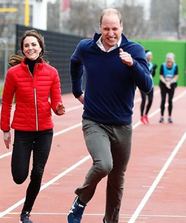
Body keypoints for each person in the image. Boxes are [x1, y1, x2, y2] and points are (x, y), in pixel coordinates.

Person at [67, 8, 153, 223]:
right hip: (94, 121)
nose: (111, 33)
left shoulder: (134, 50)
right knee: (104, 164)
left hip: (122, 125)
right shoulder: (86, 48)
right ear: (100, 28)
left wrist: (132, 65)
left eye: (115, 28)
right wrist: (77, 91)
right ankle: (81, 200)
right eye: (106, 28)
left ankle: (110, 220)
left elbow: (148, 86)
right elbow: (75, 62)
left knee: (117, 179)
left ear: (122, 28)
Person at [1, 30, 65, 223]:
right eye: (26, 45)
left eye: (33, 44)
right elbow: (5, 103)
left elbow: (56, 101)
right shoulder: (13, 74)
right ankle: (24, 206)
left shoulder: (52, 73)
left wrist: (59, 108)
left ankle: (25, 213)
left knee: (37, 172)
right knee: (19, 176)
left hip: (45, 130)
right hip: (22, 130)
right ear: (23, 49)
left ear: (40, 48)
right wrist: (5, 130)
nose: (30, 48)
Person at [159, 52, 178, 123]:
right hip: (163, 84)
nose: (169, 61)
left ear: (173, 60)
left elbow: (176, 76)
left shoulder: (175, 66)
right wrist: (166, 83)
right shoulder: (163, 65)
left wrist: (170, 83)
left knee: (170, 100)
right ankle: (161, 116)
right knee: (163, 100)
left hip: (172, 84)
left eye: (170, 60)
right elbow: (161, 75)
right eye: (168, 59)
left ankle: (170, 116)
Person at [140, 50, 157, 124]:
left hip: (151, 84)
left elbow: (152, 75)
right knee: (144, 100)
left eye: (151, 56)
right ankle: (141, 116)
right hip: (143, 84)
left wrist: (154, 70)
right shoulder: (143, 63)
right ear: (146, 56)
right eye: (149, 55)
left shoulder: (151, 64)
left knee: (150, 100)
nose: (151, 57)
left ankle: (146, 114)